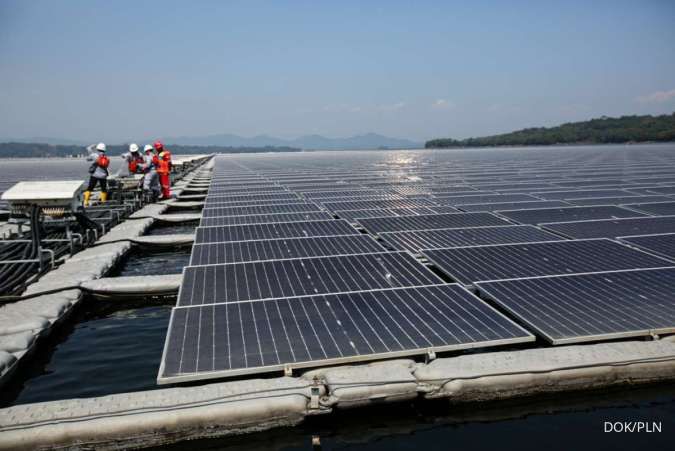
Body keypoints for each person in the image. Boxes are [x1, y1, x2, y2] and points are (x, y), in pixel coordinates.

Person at [84, 142, 110, 206]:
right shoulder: (106, 158)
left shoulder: (95, 156)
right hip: (103, 175)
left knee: (90, 188)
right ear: (104, 150)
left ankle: (86, 202)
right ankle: (103, 202)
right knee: (103, 189)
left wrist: (93, 146)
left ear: (98, 149)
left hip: (95, 175)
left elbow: (88, 153)